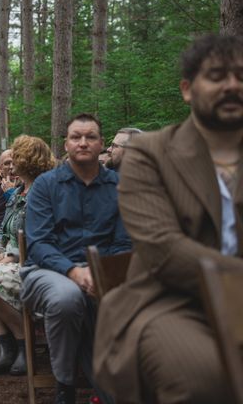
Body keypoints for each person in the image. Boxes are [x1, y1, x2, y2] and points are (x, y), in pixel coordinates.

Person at [94, 34, 243, 404]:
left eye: (241, 75)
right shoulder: (151, 153)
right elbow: (164, 249)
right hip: (169, 301)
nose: (232, 85)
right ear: (188, 89)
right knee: (204, 377)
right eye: (217, 75)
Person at [20, 113, 132, 404]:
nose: (83, 142)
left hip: (105, 272)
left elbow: (123, 243)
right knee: (68, 297)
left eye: (90, 137)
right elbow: (40, 244)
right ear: (66, 143)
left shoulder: (119, 187)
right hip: (48, 271)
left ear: (102, 144)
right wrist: (75, 272)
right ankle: (65, 386)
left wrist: (101, 274)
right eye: (76, 137)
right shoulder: (46, 185)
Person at [0, 135, 55, 376]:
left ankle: (24, 345)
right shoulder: (17, 193)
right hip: (9, 257)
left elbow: (35, 234)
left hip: (33, 260)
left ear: (28, 159)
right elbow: (5, 230)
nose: (10, 161)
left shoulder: (44, 190)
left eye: (15, 156)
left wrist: (8, 258)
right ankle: (4, 343)